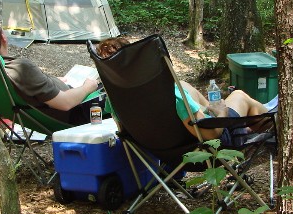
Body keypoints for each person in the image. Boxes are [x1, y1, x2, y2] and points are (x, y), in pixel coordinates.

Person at [95, 37, 272, 146]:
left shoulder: (114, 97)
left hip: (157, 150)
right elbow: (212, 135)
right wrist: (221, 113)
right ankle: (274, 128)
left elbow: (124, 132)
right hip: (200, 146)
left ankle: (245, 127)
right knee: (239, 96)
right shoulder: (170, 94)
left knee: (184, 85)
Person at [0, 14, 99, 124]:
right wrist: (88, 87)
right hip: (75, 112)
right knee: (108, 95)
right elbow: (65, 103)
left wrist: (51, 81)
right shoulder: (20, 69)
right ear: (3, 38)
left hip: (43, 109)